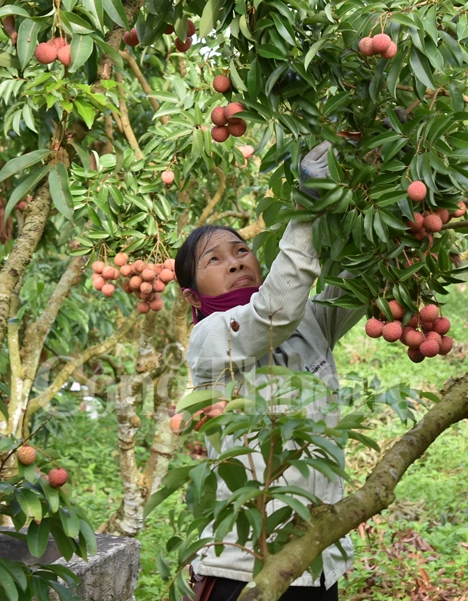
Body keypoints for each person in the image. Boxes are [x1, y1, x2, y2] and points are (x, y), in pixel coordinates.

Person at [174, 142, 365, 601]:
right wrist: (307, 205)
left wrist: (362, 192)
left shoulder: (309, 322)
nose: (237, 260)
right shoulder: (207, 340)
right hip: (242, 567)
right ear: (192, 297)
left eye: (241, 250)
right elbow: (272, 311)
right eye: (213, 260)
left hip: (319, 563)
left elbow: (358, 282)